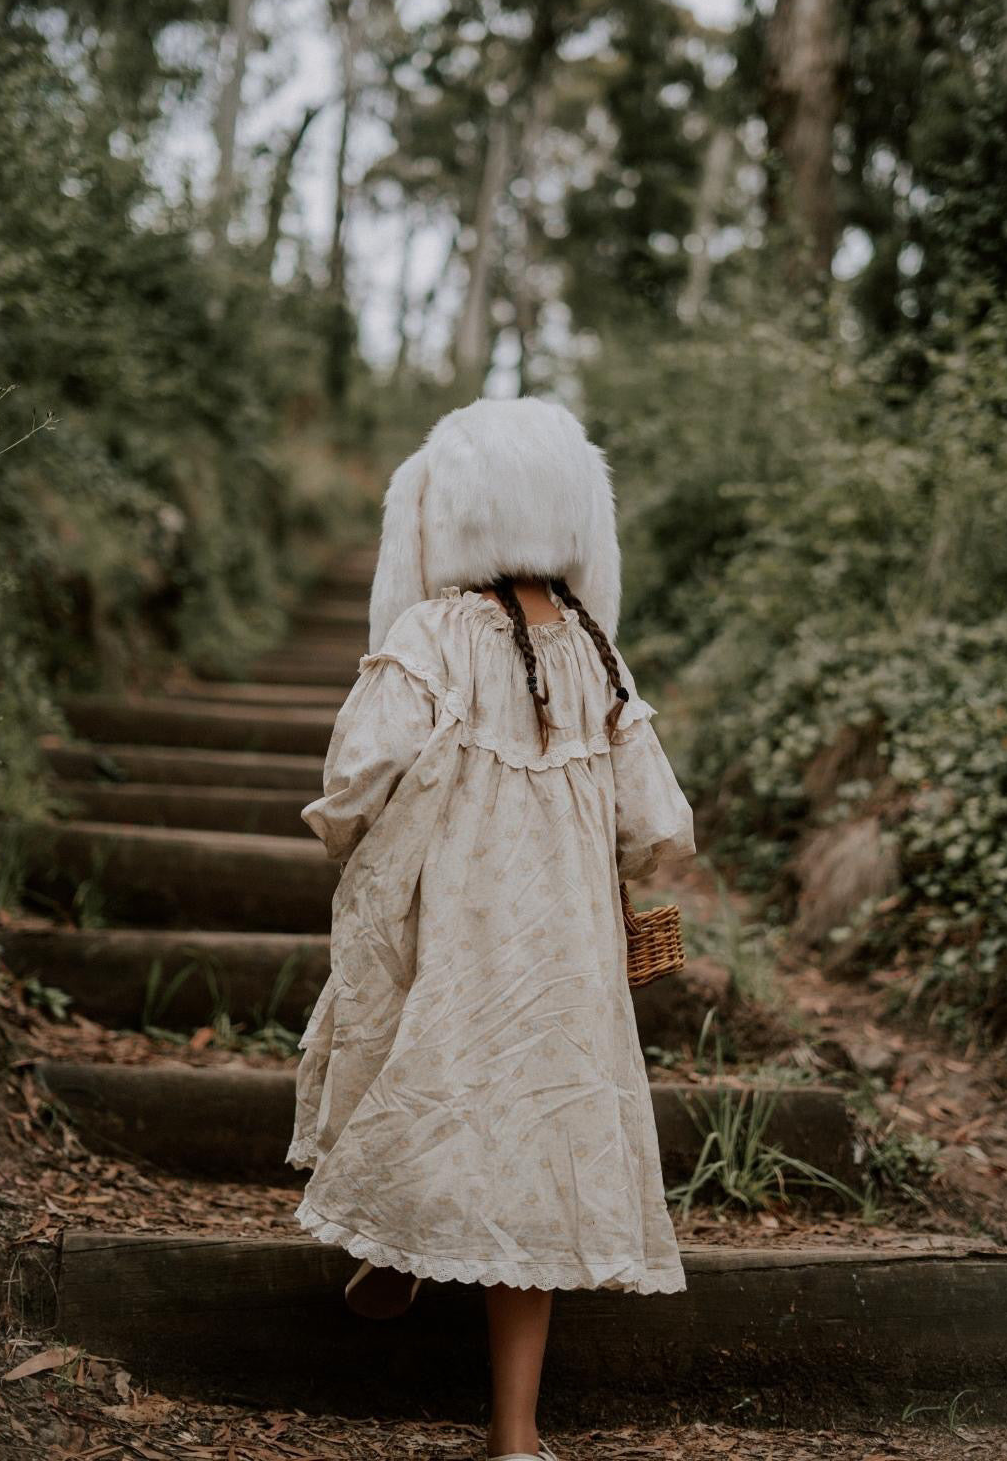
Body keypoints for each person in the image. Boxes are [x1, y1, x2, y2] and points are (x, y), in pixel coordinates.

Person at [287, 397, 697, 1461]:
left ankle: (397, 1235)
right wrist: (634, 875)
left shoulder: (431, 632)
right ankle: (516, 1434)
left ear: (456, 508)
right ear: (569, 513)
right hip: (558, 950)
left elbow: (359, 770)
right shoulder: (598, 656)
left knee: (418, 1061)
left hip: (452, 918)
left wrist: (340, 827)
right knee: (534, 1140)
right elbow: (658, 818)